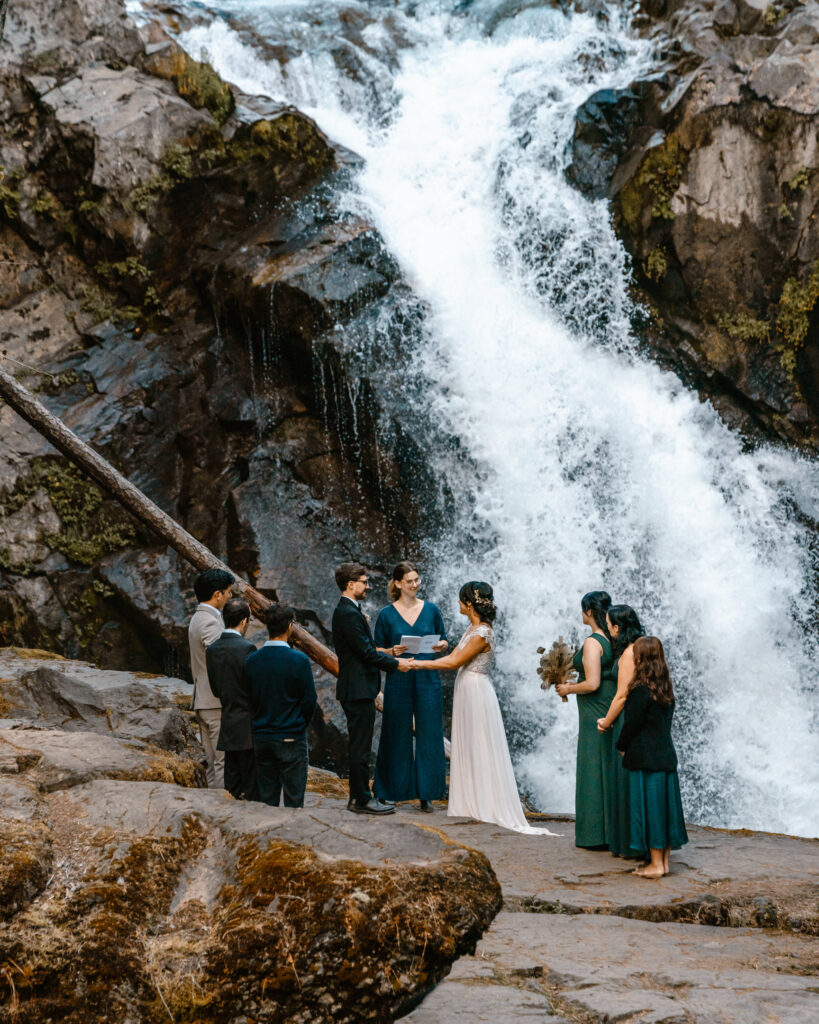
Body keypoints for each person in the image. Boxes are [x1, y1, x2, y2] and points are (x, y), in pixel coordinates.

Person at [411, 581, 557, 836]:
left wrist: (415, 665)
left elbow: (455, 661)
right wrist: (429, 650)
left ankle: (485, 805)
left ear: (469, 603)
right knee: (469, 743)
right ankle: (471, 804)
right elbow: (454, 655)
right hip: (468, 688)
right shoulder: (474, 628)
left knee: (479, 743)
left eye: (460, 600)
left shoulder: (482, 633)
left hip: (476, 690)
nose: (457, 604)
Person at [332, 562, 410, 815]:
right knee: (360, 747)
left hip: (357, 688)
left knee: (360, 745)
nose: (368, 586)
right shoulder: (347, 613)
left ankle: (358, 797)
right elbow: (365, 653)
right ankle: (362, 800)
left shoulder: (350, 611)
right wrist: (396, 664)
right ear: (350, 584)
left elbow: (363, 649)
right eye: (364, 582)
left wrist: (388, 654)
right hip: (357, 690)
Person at [374, 562, 448, 812]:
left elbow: (444, 640)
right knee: (395, 733)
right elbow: (375, 650)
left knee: (430, 734)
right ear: (397, 584)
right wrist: (391, 651)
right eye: (410, 581)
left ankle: (427, 793)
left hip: (428, 678)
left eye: (417, 579)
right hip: (399, 679)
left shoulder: (432, 610)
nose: (415, 585)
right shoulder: (386, 614)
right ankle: (391, 791)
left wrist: (442, 647)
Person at [616, 636, 688, 876]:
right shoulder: (664, 688)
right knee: (665, 810)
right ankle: (664, 863)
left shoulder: (640, 690)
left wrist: (621, 745)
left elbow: (632, 724)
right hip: (665, 756)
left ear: (641, 658)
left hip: (646, 759)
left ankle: (656, 865)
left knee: (652, 810)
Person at [555, 590, 615, 849]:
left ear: (589, 611)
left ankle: (595, 835)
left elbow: (592, 683)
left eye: (582, 610)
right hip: (606, 705)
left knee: (593, 766)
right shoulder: (613, 638)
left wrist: (568, 688)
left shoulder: (593, 642)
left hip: (594, 710)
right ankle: (611, 831)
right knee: (607, 764)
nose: (581, 614)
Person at [245, 604, 317, 808]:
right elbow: (309, 700)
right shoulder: (299, 660)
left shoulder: (252, 661)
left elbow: (249, 698)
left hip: (262, 736)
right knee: (294, 799)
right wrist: (300, 724)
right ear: (290, 626)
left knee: (267, 800)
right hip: (291, 735)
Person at [595, 605, 646, 860]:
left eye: (608, 624)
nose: (607, 628)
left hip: (626, 719)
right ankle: (638, 840)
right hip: (640, 717)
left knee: (624, 778)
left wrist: (606, 721)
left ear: (617, 628)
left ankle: (630, 844)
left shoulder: (628, 653)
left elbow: (622, 694)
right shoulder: (643, 646)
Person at [205, 597, 257, 801]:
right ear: (244, 621)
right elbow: (254, 689)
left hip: (228, 724)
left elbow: (216, 690)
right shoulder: (247, 649)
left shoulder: (212, 649)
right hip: (249, 726)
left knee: (231, 785)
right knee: (252, 786)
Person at [188, 568, 234, 788]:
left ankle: (210, 807)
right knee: (223, 762)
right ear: (217, 594)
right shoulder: (210, 621)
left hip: (203, 700)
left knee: (213, 764)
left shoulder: (199, 617)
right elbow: (220, 658)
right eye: (228, 592)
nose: (230, 597)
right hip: (215, 702)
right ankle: (221, 812)